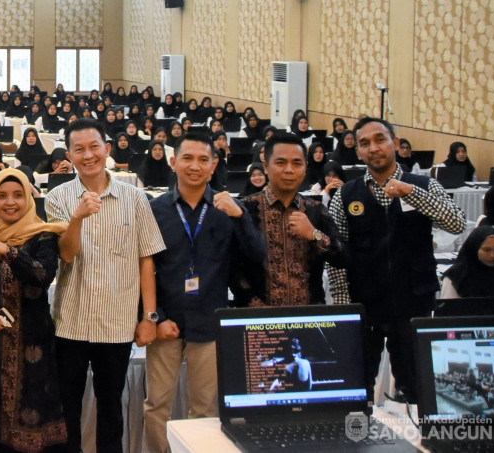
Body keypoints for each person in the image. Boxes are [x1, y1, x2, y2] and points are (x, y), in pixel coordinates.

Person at [46, 118, 164, 453]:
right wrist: (78, 217)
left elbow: (146, 260)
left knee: (111, 408)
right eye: (79, 149)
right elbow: (65, 256)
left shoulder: (135, 198)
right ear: (69, 155)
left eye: (94, 147)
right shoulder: (57, 198)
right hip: (71, 321)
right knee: (67, 407)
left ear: (107, 149)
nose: (88, 155)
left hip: (117, 322)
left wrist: (149, 317)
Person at [328, 118, 466, 403]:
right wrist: (345, 308)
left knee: (417, 387)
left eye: (380, 140)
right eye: (364, 143)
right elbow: (337, 256)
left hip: (412, 303)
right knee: (356, 387)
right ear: (358, 152)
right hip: (365, 305)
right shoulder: (345, 195)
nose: (373, 148)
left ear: (395, 143)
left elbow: (456, 223)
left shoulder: (424, 184)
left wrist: (411, 193)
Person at [143, 132, 266, 453]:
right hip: (165, 323)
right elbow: (142, 270)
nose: (194, 166)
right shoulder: (155, 210)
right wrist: (156, 317)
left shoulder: (227, 208)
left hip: (209, 322)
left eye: (203, 160)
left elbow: (256, 254)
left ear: (213, 166)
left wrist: (240, 217)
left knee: (205, 411)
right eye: (187, 158)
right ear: (173, 163)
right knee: (157, 405)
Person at [0, 168, 68, 453]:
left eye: (17, 195)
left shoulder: (43, 236)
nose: (9, 202)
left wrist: (6, 250)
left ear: (29, 199)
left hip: (31, 348)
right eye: (1, 196)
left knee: (30, 427)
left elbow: (41, 275)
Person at [233, 133, 345, 307]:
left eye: (297, 163)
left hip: (310, 318)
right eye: (280, 162)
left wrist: (314, 234)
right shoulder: (246, 209)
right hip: (257, 320)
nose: (289, 170)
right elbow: (232, 269)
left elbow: (343, 257)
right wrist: (253, 304)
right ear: (265, 166)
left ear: (305, 167)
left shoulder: (316, 210)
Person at [439, 225, 494, 306]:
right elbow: (449, 311)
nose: (493, 255)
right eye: (487, 250)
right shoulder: (457, 276)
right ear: (475, 248)